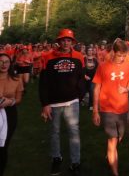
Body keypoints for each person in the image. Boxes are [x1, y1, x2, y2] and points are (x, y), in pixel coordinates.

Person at [39, 29, 85, 176]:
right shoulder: (47, 57)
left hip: (72, 103)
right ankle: (56, 159)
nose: (66, 42)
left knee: (74, 132)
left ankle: (75, 163)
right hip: (54, 103)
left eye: (69, 40)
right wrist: (45, 104)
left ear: (72, 42)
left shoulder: (79, 57)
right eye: (64, 40)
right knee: (54, 133)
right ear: (59, 41)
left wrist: (80, 95)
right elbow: (43, 83)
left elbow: (81, 79)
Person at [92, 39, 129, 176]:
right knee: (113, 140)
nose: (122, 58)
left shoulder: (128, 66)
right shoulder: (103, 67)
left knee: (120, 135)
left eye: (124, 56)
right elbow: (96, 89)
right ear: (113, 52)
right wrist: (95, 111)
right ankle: (115, 171)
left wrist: (126, 88)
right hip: (107, 108)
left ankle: (111, 152)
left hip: (123, 107)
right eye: (119, 55)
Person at [0, 53, 24, 176]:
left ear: (10, 64)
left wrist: (10, 101)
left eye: (6, 62)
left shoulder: (16, 79)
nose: (3, 64)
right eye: (1, 62)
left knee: (3, 145)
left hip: (9, 114)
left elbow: (19, 99)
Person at [84, 46, 98, 111]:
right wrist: (84, 76)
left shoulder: (95, 59)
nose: (90, 51)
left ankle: (91, 105)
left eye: (91, 50)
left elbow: (98, 68)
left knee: (91, 91)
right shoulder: (84, 58)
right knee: (84, 91)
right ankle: (81, 101)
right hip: (85, 77)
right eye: (89, 50)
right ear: (86, 51)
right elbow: (81, 68)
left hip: (93, 78)